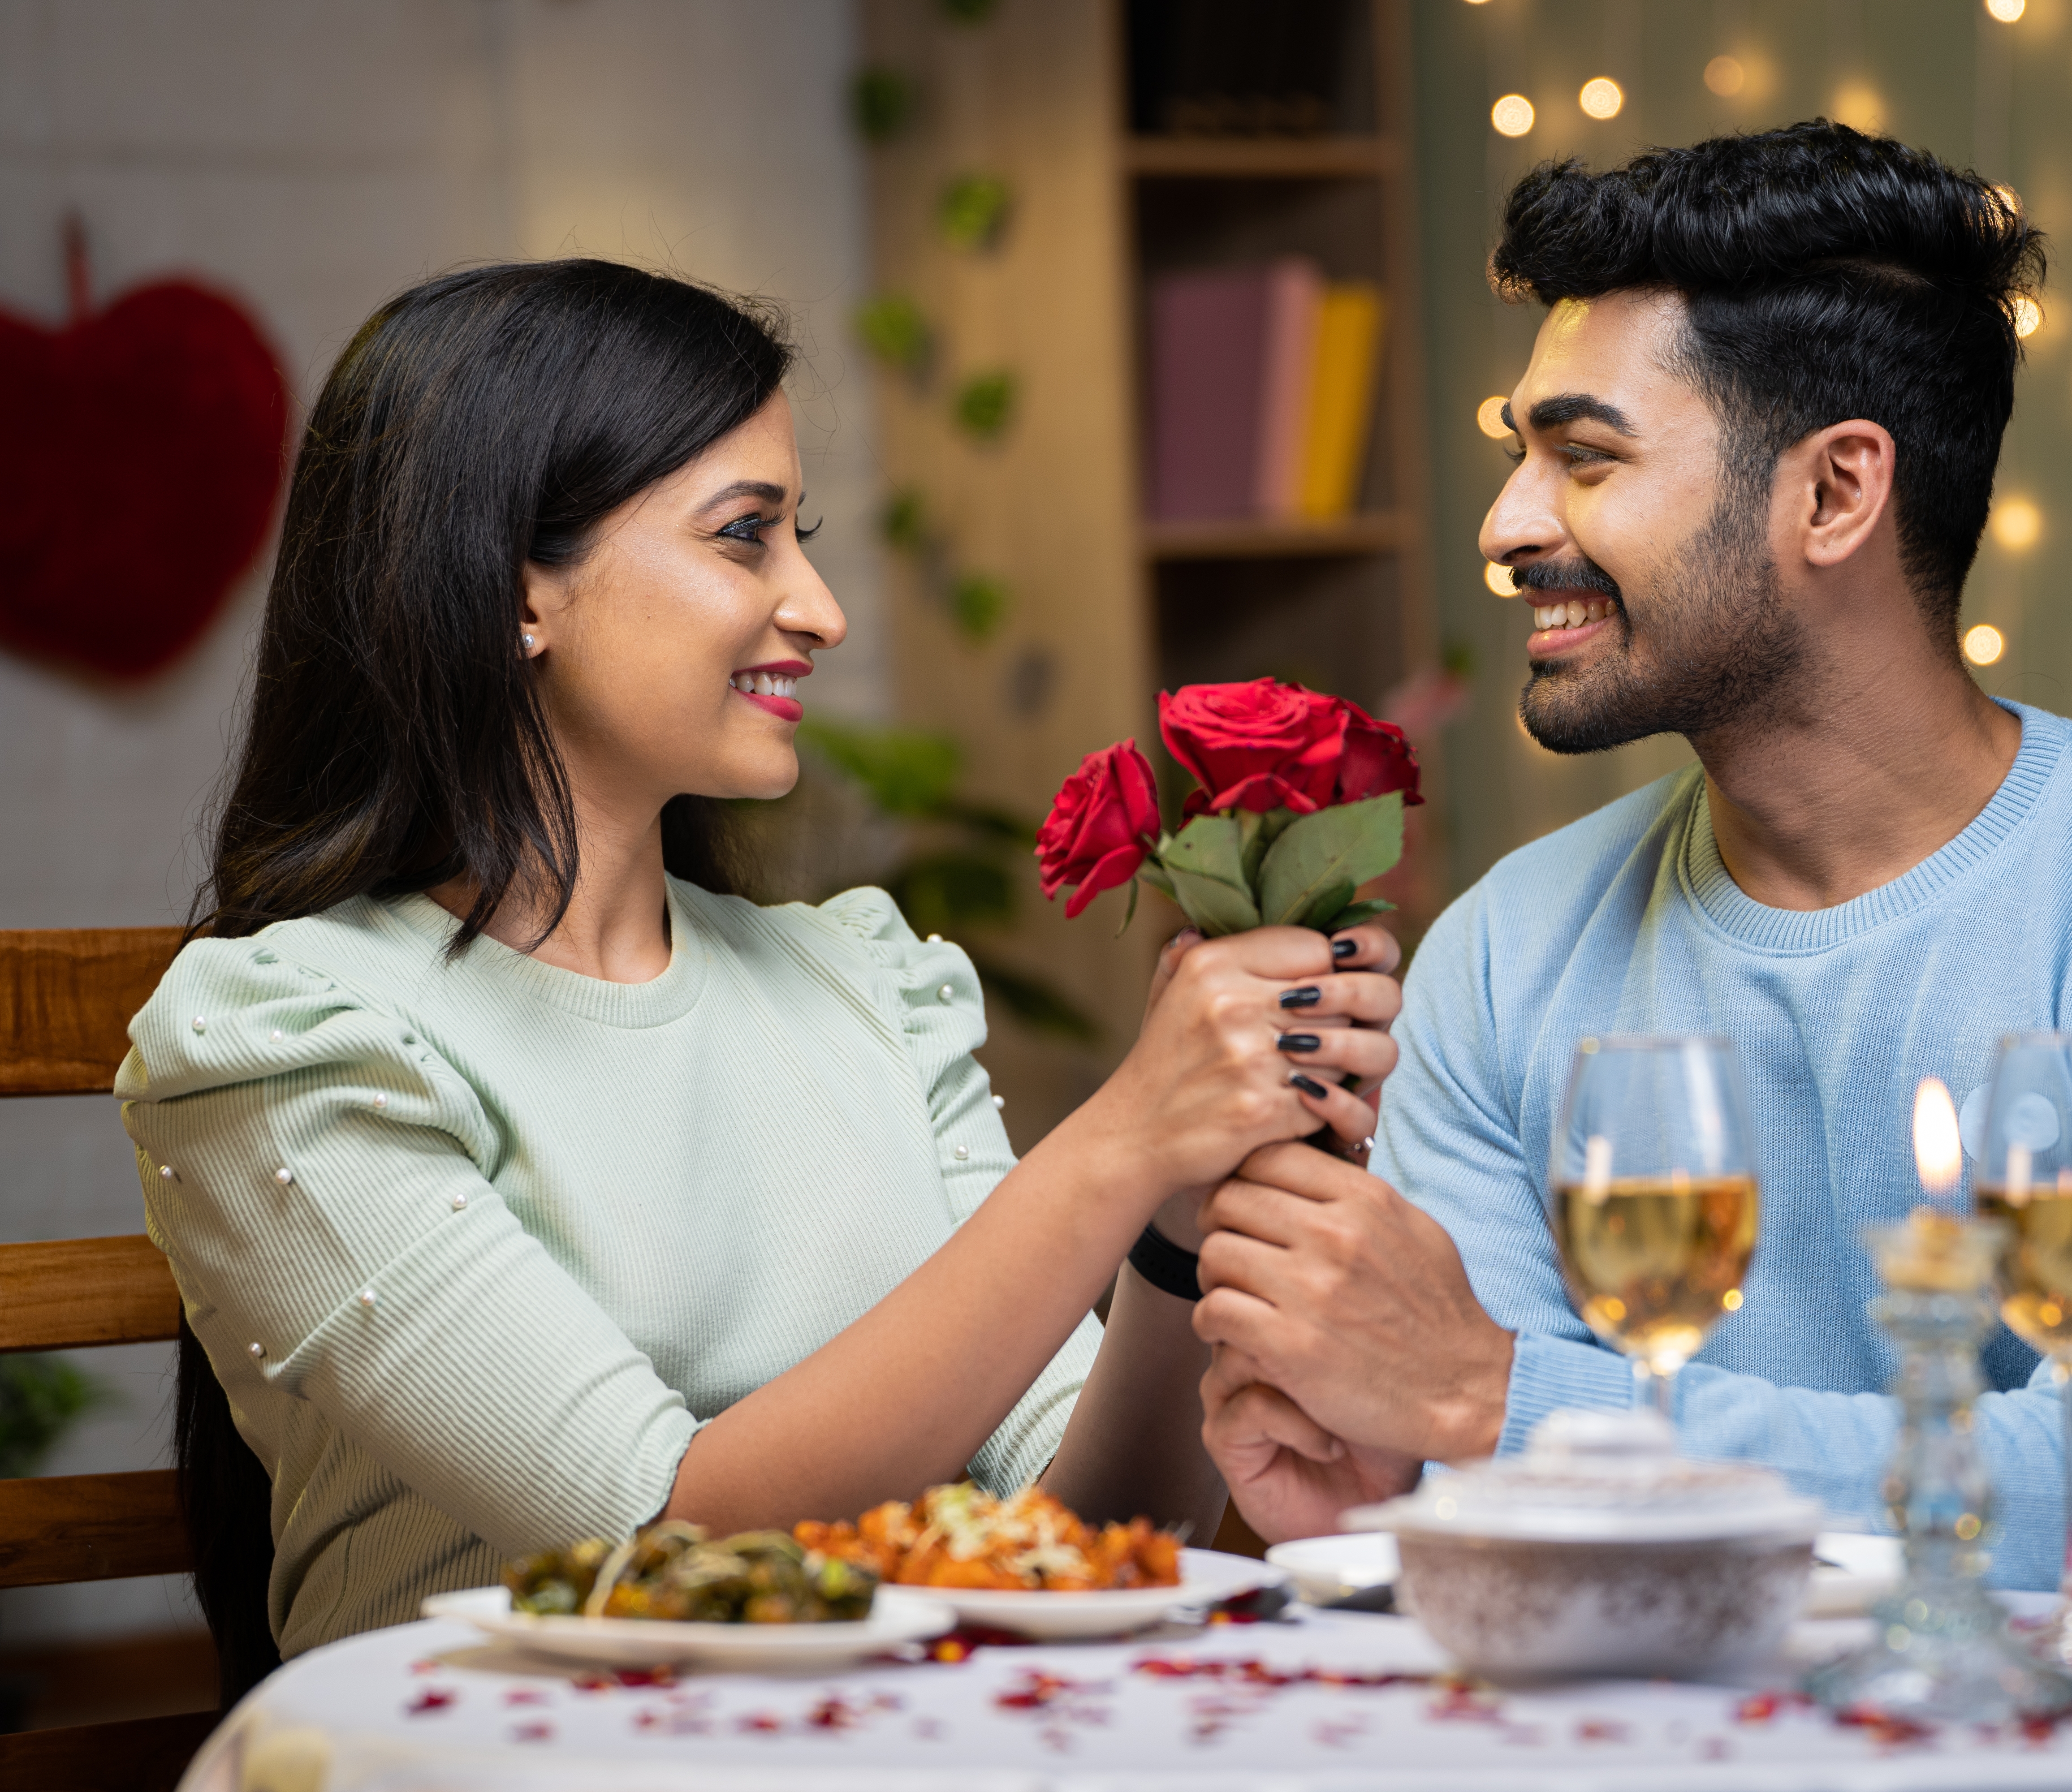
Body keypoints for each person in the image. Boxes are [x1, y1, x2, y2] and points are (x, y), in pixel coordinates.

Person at [118, 259, 1404, 1688]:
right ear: (511, 592)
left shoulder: (858, 980)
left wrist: (1174, 1212)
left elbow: (1077, 1533)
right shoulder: (291, 1036)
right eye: (746, 538)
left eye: (804, 534)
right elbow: (659, 1553)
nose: (821, 609)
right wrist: (1119, 1139)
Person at [1190, 124, 2072, 1593]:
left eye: (1583, 458)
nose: (1507, 528)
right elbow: (1481, 1467)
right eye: (1520, 457)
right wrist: (1394, 1472)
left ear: (1837, 493)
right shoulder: (1504, 951)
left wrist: (1495, 1406)